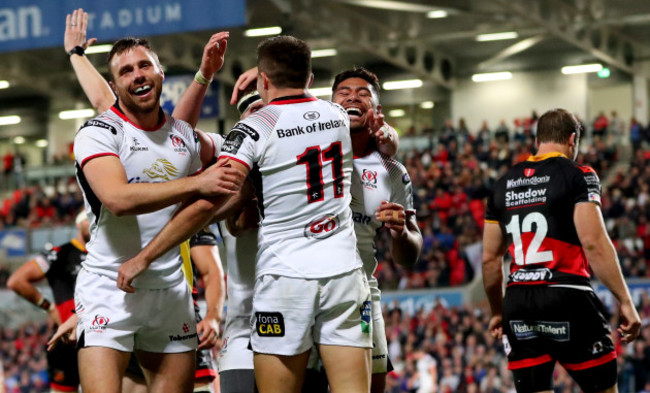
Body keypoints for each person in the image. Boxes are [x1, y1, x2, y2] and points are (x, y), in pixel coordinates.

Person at [117, 35, 373, 393]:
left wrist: (145, 255)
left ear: (264, 81)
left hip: (286, 279)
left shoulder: (255, 127)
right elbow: (373, 127)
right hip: (345, 274)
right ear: (310, 79)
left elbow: (211, 198)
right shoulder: (337, 115)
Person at [68, 8, 244, 392]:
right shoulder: (98, 133)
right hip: (108, 286)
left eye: (144, 66)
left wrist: (261, 109)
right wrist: (196, 185)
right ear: (115, 86)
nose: (137, 75)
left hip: (171, 294)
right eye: (126, 72)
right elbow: (117, 199)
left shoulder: (185, 137)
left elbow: (234, 152)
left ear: (161, 73)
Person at [482, 108, 641, 393]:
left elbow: (490, 260)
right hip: (567, 294)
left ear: (538, 140)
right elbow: (593, 242)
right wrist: (626, 301)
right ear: (572, 140)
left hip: (518, 302)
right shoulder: (579, 174)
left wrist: (497, 311)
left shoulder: (502, 184)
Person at [330, 67, 422, 393]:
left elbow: (409, 255)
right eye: (344, 91)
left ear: (376, 110)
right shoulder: (311, 153)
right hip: (309, 284)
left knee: (374, 384)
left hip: (363, 292)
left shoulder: (391, 171)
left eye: (363, 92)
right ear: (330, 104)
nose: (353, 95)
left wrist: (400, 233)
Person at [8, 211, 89, 393]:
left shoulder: (108, 256)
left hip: (101, 335)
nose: (92, 223)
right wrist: (49, 307)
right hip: (66, 341)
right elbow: (16, 281)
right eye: (87, 219)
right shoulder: (57, 254)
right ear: (78, 223)